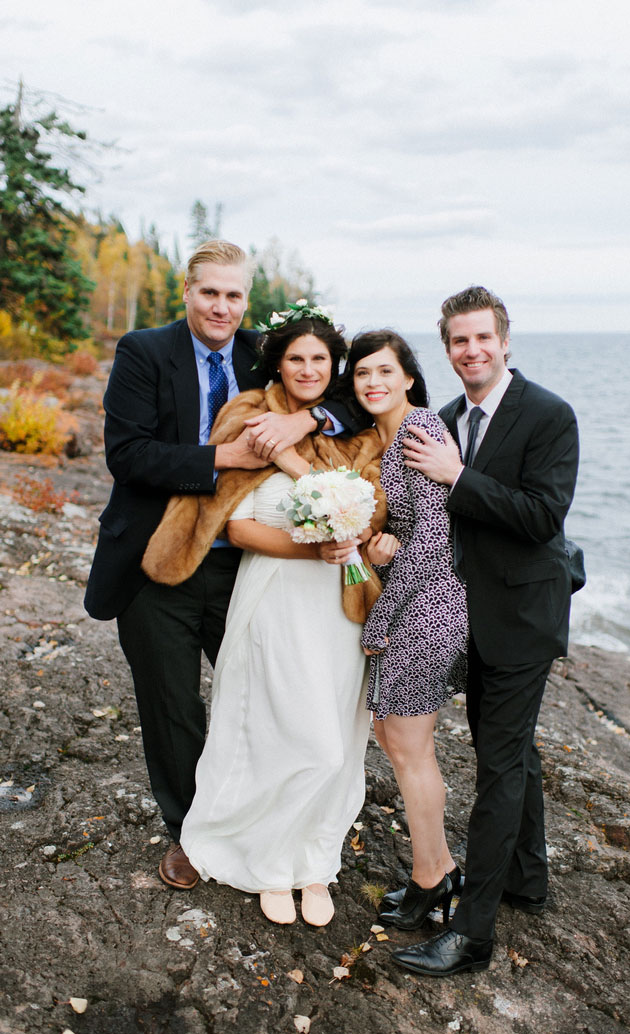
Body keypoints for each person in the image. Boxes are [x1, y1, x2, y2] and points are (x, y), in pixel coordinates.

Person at [84, 241, 355, 892]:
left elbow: (354, 392)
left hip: (250, 565)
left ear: (247, 301)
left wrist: (310, 419)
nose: (222, 307)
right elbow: (128, 455)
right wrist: (224, 458)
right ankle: (189, 835)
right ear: (188, 291)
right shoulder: (144, 353)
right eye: (211, 292)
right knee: (173, 706)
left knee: (263, 701)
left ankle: (265, 826)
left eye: (235, 295)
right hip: (157, 560)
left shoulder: (264, 350)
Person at [143, 309, 386, 926]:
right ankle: (267, 859)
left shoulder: (356, 432)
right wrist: (313, 541)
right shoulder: (247, 414)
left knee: (333, 738)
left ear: (334, 369)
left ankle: (313, 857)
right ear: (277, 361)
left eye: (320, 361)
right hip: (274, 592)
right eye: (296, 358)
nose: (308, 370)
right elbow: (238, 524)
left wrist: (352, 531)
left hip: (338, 606)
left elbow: (374, 510)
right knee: (275, 725)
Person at [393, 286, 579, 976]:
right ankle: (529, 880)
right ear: (446, 350)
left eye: (482, 338)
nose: (471, 350)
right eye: (458, 341)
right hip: (463, 618)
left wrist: (457, 475)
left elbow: (541, 517)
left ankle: (473, 935)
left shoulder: (549, 415)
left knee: (498, 765)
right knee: (513, 751)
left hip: (524, 618)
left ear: (504, 341)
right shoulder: (441, 419)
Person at [333, 330, 467, 929]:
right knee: (394, 738)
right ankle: (439, 869)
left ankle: (429, 883)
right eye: (362, 374)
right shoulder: (383, 440)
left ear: (409, 377)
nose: (373, 383)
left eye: (385, 371)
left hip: (432, 605)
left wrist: (385, 569)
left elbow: (435, 539)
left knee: (410, 748)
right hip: (414, 599)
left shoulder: (419, 433)